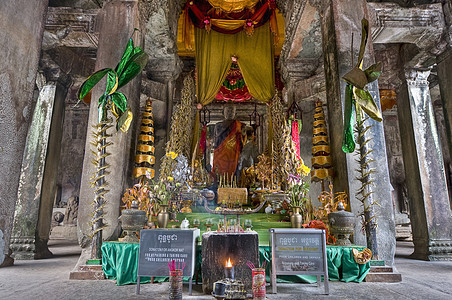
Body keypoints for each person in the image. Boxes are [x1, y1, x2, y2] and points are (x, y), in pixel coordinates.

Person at [212, 105, 243, 178]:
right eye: (228, 111)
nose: (230, 113)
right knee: (220, 172)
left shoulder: (238, 125)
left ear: (235, 114)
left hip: (233, 152)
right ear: (223, 113)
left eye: (232, 111)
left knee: (233, 172)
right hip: (220, 152)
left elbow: (240, 141)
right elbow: (216, 140)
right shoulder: (218, 125)